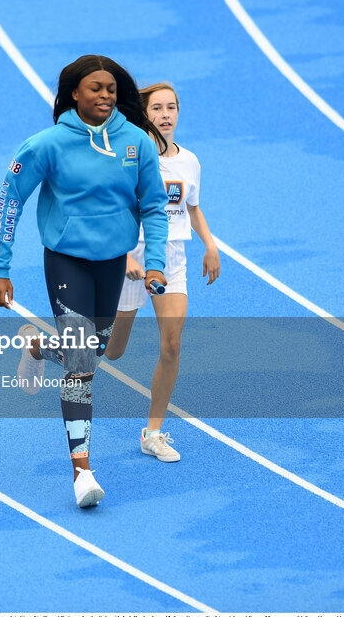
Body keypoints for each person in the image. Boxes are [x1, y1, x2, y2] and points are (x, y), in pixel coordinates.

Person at [0, 54, 169, 508]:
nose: (105, 95)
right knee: (81, 366)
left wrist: (155, 262)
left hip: (112, 265)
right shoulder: (46, 145)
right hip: (66, 262)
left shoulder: (137, 143)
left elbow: (152, 206)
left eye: (111, 88)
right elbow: (10, 200)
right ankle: (82, 471)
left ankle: (34, 345)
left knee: (96, 349)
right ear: (74, 93)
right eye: (95, 88)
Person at [104, 83, 220, 463]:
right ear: (144, 113)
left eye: (172, 107)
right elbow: (109, 212)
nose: (166, 114)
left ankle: (152, 433)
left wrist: (210, 244)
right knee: (111, 351)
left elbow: (193, 207)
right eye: (158, 108)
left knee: (172, 343)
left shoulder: (189, 161)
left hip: (170, 260)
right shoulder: (130, 157)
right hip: (132, 256)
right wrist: (124, 257)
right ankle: (42, 348)